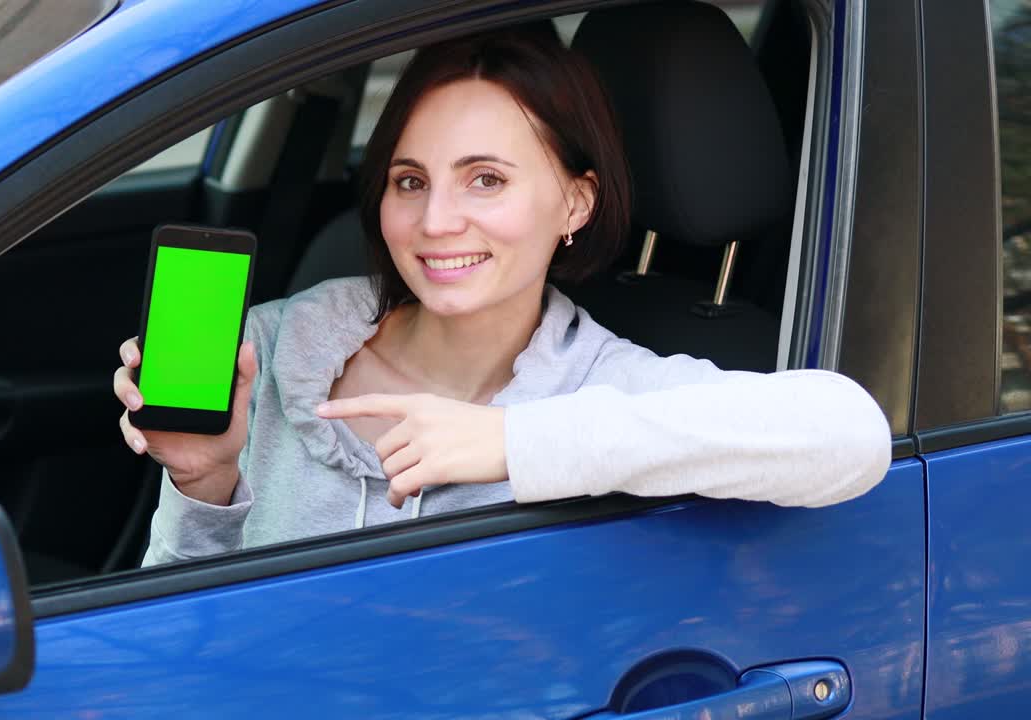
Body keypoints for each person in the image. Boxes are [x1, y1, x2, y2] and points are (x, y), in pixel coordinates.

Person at [113, 28, 891, 566]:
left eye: (486, 179)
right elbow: (177, 615)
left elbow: (850, 436)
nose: (436, 222)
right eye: (410, 181)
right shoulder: (274, 342)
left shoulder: (602, 383)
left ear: (577, 204)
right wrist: (206, 483)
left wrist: (514, 443)